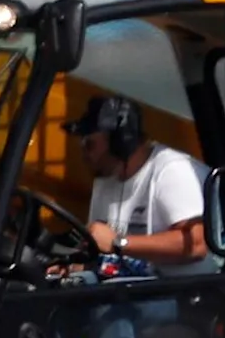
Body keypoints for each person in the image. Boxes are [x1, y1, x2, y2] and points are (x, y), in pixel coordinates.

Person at [68, 94, 211, 270]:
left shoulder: (171, 170)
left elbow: (196, 244)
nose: (84, 155)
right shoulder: (106, 176)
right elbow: (99, 246)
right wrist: (70, 267)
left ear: (119, 142)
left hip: (179, 293)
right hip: (125, 291)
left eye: (89, 145)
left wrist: (118, 243)